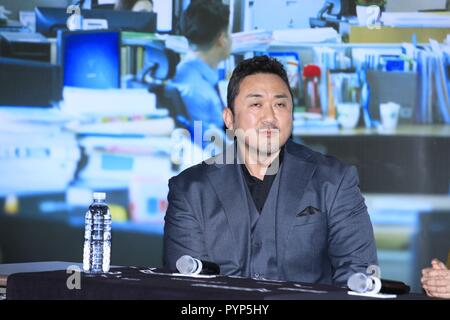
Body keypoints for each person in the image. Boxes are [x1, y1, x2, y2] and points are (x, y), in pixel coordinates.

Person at [163, 55, 378, 285]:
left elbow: (358, 276)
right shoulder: (190, 190)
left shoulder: (335, 180)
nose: (269, 117)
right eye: (256, 104)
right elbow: (188, 289)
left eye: (280, 104)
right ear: (229, 118)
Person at [171, 0, 231, 138]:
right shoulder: (199, 91)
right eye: (229, 33)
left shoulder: (186, 71)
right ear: (222, 39)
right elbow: (211, 147)